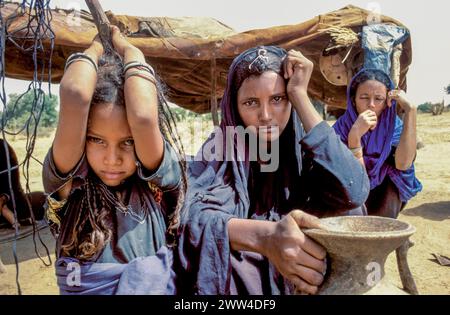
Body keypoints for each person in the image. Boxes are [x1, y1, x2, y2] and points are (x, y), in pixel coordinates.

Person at [178, 46, 370, 295]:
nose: (266, 115)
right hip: (248, 258)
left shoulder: (306, 150)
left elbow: (354, 192)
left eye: (278, 99)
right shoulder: (221, 148)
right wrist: (267, 237)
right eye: (250, 102)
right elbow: (194, 216)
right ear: (234, 109)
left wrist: (300, 95)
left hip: (301, 257)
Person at [42, 26, 186, 294]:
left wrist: (128, 49)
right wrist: (95, 48)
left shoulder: (154, 182)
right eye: (96, 140)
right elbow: (76, 95)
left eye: (128, 142)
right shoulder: (70, 185)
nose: (112, 159)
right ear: (81, 138)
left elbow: (143, 117)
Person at [333, 68, 422, 218]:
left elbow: (403, 164)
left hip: (384, 196)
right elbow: (348, 178)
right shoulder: (340, 129)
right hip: (351, 193)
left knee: (393, 175)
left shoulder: (394, 127)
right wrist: (354, 136)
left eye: (378, 99)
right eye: (364, 97)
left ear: (387, 102)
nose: (371, 104)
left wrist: (411, 110)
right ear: (353, 100)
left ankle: (387, 234)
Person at [0, 138, 46, 229]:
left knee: (43, 198)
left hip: (11, 202)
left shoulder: (2, 147)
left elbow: (13, 186)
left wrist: (3, 199)